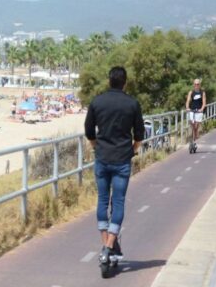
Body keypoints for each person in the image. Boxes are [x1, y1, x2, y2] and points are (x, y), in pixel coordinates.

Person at [84, 66, 144, 277]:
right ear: (124, 82)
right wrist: (132, 150)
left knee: (102, 201)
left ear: (109, 81)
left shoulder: (97, 102)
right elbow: (139, 133)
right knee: (117, 202)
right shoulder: (132, 104)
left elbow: (89, 130)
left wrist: (95, 146)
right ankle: (109, 246)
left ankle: (106, 246)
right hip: (122, 160)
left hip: (102, 158)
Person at [185, 79, 206, 145]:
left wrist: (202, 109)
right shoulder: (191, 92)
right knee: (192, 123)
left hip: (199, 111)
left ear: (200, 85)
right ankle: (193, 137)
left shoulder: (202, 92)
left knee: (196, 125)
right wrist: (187, 107)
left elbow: (204, 102)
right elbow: (188, 101)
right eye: (195, 84)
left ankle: (195, 137)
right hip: (192, 110)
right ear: (193, 85)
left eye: (198, 84)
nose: (196, 85)